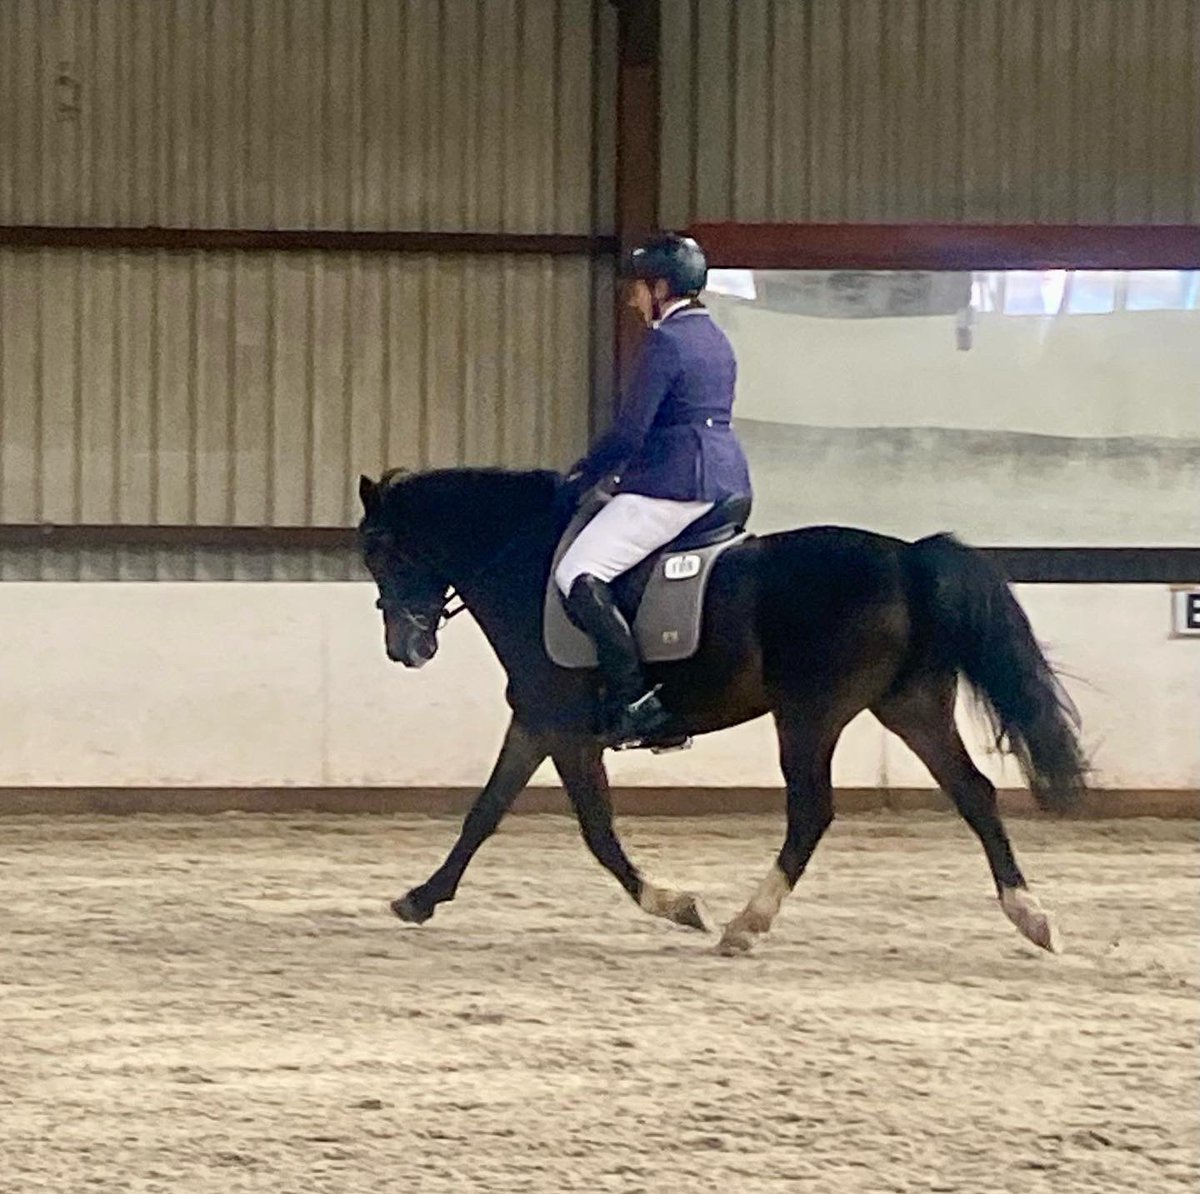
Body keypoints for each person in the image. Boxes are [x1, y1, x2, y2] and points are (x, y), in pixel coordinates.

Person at [555, 232, 752, 746]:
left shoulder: (666, 342)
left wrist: (584, 474)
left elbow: (630, 432)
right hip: (727, 479)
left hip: (676, 484)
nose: (632, 299)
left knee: (577, 572)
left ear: (661, 288)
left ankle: (635, 701)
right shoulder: (715, 337)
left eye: (638, 288)